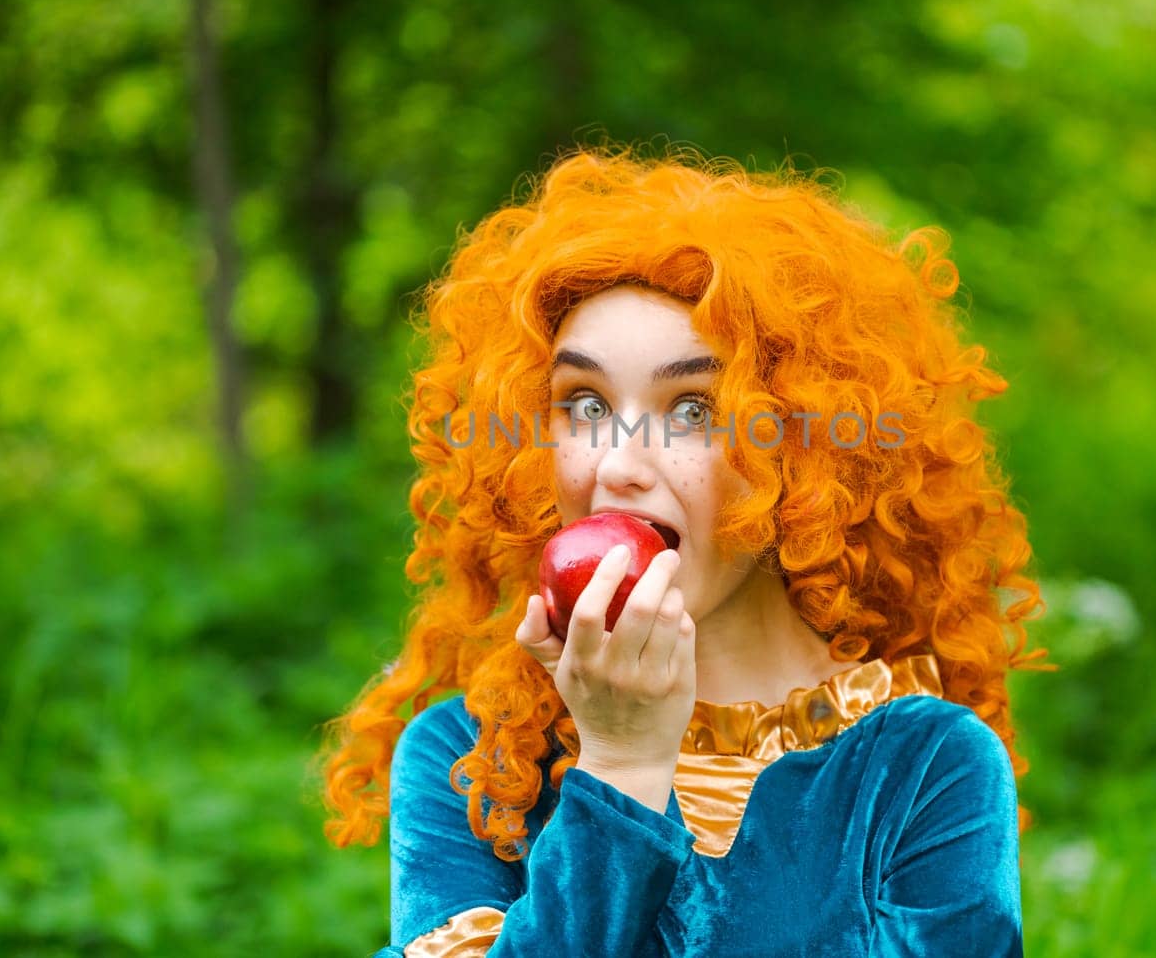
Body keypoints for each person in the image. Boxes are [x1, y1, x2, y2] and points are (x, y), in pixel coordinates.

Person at [319, 146, 1050, 957]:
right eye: (585, 404)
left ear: (804, 458)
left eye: (695, 410)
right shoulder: (472, 763)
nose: (618, 464)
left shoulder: (920, 767)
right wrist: (621, 772)